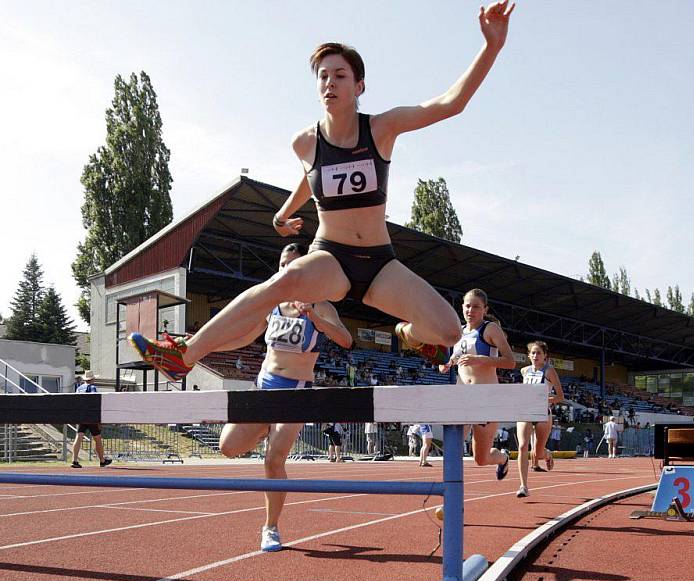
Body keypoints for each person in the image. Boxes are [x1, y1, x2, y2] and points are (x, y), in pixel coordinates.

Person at [128, 2, 516, 383]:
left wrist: (491, 46)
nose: (330, 82)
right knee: (276, 286)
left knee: (449, 332)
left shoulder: (382, 128)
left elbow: (451, 104)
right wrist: (283, 213)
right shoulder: (305, 142)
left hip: (379, 262)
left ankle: (407, 334)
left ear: (359, 85)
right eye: (323, 76)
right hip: (331, 254)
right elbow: (310, 177)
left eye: (340, 75)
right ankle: (184, 353)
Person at [217, 243, 352, 552]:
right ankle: (266, 426)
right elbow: (243, 336)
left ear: (304, 270)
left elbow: (346, 340)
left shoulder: (322, 304)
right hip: (263, 387)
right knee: (228, 447)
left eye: (292, 265)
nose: (285, 271)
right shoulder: (272, 303)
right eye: (281, 264)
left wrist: (316, 319)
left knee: (273, 460)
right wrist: (203, 346)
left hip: (295, 393)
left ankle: (271, 527)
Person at [440, 289, 516, 478]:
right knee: (452, 447)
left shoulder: (490, 329)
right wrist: (446, 364)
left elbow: (510, 361)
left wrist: (480, 359)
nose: (471, 310)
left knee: (480, 459)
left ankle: (502, 458)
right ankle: (451, 499)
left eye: (476, 307)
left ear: (484, 309)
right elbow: (453, 359)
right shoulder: (457, 332)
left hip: (486, 398)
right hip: (462, 397)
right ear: (462, 307)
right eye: (467, 306)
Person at [515, 341, 564, 498]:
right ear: (528, 355)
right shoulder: (524, 371)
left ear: (545, 356)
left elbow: (560, 396)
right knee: (523, 447)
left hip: (542, 413)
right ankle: (523, 486)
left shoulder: (549, 371)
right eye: (533, 353)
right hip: (525, 412)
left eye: (539, 353)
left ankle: (547, 454)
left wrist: (543, 399)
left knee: (537, 453)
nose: (535, 356)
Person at [71, 371, 112, 468]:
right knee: (97, 438)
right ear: (92, 379)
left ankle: (74, 460)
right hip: (91, 417)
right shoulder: (92, 387)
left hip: (82, 416)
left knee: (79, 436)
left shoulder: (79, 388)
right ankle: (102, 460)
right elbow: (94, 401)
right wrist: (98, 419)